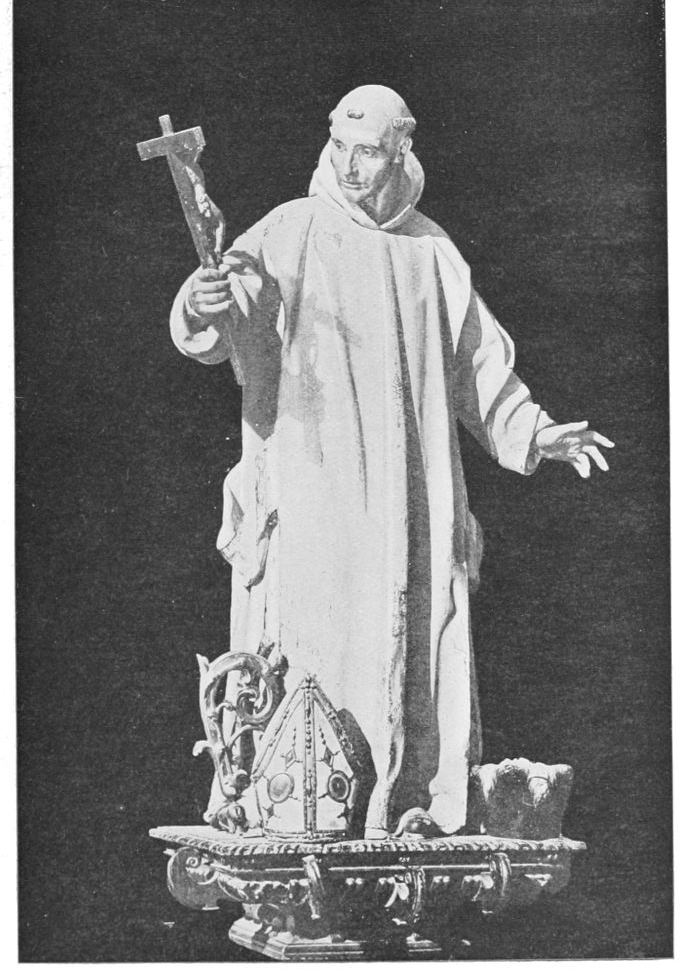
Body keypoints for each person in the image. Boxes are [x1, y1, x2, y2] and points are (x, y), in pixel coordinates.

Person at [170, 85, 613, 839]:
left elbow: (477, 365)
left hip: (409, 494)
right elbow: (227, 308)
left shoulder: (429, 251)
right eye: (340, 147)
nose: (349, 166)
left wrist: (535, 433)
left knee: (408, 636)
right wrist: (201, 302)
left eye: (368, 152)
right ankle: (294, 805)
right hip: (314, 483)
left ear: (401, 152)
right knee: (309, 638)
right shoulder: (292, 228)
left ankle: (401, 802)